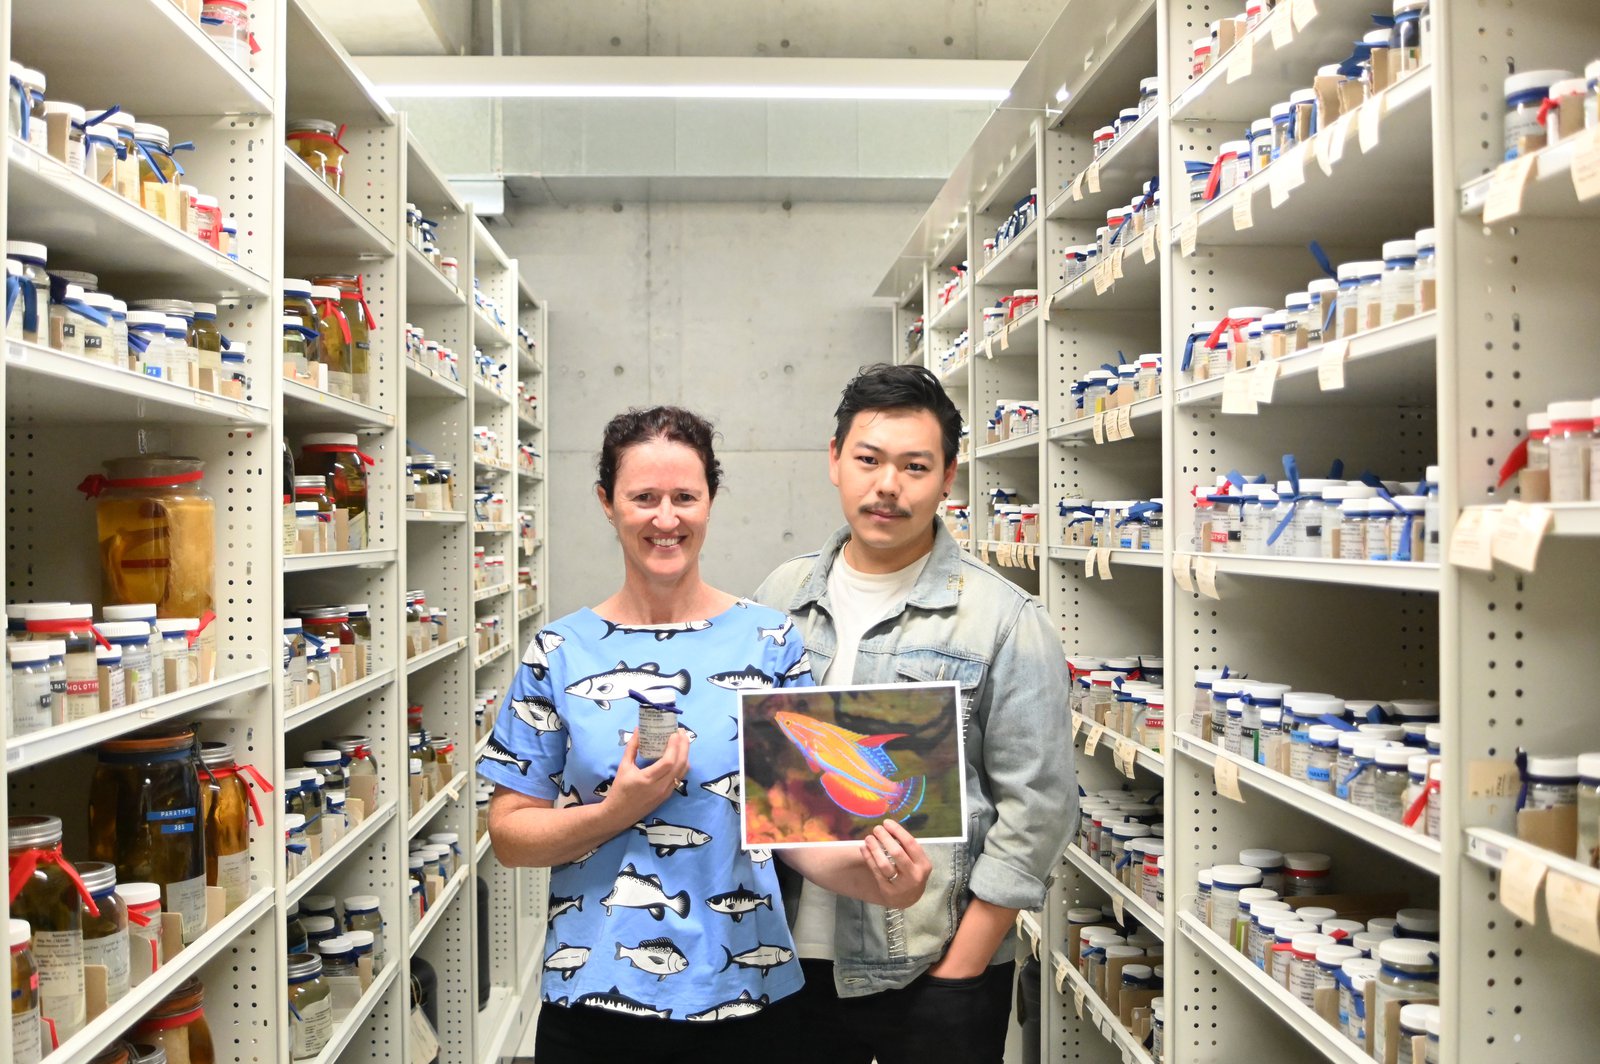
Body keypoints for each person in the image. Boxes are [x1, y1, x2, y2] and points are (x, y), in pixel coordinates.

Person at [480, 405, 931, 1062]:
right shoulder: (559, 651)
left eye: (685, 497)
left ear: (710, 501)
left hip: (748, 996)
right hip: (595, 997)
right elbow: (509, 836)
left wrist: (884, 881)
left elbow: (795, 830)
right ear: (608, 503)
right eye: (644, 498)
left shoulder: (768, 640)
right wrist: (616, 812)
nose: (666, 518)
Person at [754, 364, 1076, 1064]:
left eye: (914, 465)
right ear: (834, 460)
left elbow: (1040, 808)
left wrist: (963, 967)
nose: (888, 485)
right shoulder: (780, 595)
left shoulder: (1004, 620)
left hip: (933, 969)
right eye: (868, 460)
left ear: (948, 476)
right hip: (784, 966)